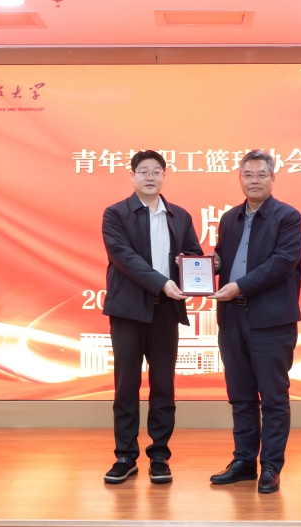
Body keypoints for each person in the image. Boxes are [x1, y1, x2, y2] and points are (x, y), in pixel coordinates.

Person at [101, 149, 203, 485]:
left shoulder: (180, 215)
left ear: (163, 176)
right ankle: (125, 456)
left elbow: (193, 253)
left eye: (156, 171)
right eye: (143, 171)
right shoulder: (116, 214)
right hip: (128, 312)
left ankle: (159, 455)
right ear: (132, 176)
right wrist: (161, 282)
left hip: (165, 312)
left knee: (163, 386)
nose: (150, 176)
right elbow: (124, 257)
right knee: (126, 386)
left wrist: (201, 270)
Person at [208, 149, 301, 494]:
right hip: (232, 318)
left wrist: (239, 285)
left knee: (274, 398)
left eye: (261, 174)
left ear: (273, 178)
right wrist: (210, 265)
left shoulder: (288, 217)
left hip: (271, 321)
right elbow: (226, 257)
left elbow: (283, 263)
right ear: (240, 179)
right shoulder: (229, 218)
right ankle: (244, 462)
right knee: (241, 395)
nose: (254, 181)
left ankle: (271, 466)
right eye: (247, 175)